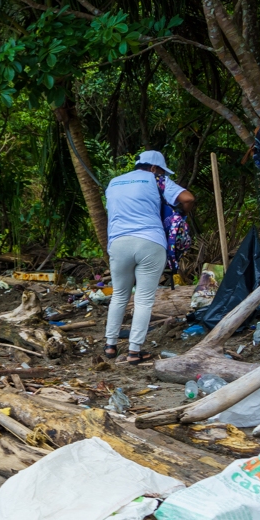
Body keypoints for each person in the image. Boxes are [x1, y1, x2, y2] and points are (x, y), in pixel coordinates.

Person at [104, 151, 195, 364]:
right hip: (150, 242)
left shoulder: (114, 182)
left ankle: (110, 346)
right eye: (162, 170)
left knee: (119, 295)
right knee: (143, 299)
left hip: (118, 243)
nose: (163, 174)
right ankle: (134, 352)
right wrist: (179, 214)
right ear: (154, 168)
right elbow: (188, 198)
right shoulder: (157, 180)